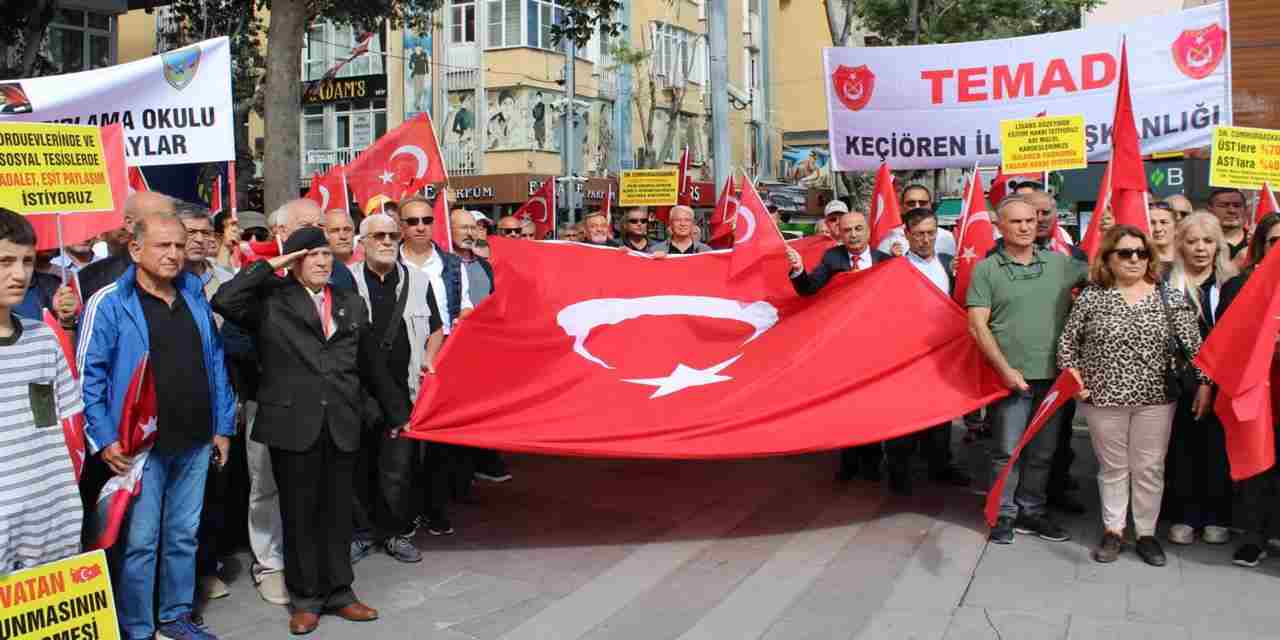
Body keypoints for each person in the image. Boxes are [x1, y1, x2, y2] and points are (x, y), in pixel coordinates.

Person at [211, 228, 383, 635]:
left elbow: (369, 363)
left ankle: (341, 592)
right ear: (294, 261)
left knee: (338, 513)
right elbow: (224, 300)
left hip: (341, 420)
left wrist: (395, 415)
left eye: (327, 254)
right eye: (312, 255)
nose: (323, 261)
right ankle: (305, 599)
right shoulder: (272, 302)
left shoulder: (349, 301)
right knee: (300, 514)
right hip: (293, 423)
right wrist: (271, 265)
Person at [80, 205, 236, 640]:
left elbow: (216, 363)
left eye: (179, 246)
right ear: (134, 248)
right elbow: (88, 377)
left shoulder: (192, 294)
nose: (173, 254)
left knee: (183, 536)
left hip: (195, 441)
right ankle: (137, 628)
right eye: (162, 245)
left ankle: (175, 616)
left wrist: (222, 426)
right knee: (141, 544)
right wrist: (105, 438)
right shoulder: (109, 303)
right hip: (138, 449)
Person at [1058, 225, 1211, 566]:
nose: (1134, 259)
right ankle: (1113, 530)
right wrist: (1075, 378)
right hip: (1103, 397)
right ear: (1108, 258)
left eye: (1141, 253)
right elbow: (1068, 344)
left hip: (1156, 398)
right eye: (1124, 253)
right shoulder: (1091, 297)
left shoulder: (1168, 297)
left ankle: (1145, 533)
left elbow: (1196, 349)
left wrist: (1205, 384)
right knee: (1113, 467)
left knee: (1149, 468)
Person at [968, 195, 1087, 545]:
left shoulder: (1061, 264)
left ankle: (1031, 511)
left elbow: (1107, 273)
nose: (1024, 227)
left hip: (1054, 379)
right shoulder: (986, 269)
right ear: (1000, 227)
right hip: (1011, 379)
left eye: (1030, 221)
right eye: (1016, 222)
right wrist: (1005, 371)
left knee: (1044, 452)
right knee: (1006, 450)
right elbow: (977, 325)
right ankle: (1002, 515)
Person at [349, 214, 445, 562]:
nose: (387, 242)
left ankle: (395, 533)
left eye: (392, 235)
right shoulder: (345, 280)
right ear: (363, 243)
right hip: (356, 392)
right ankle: (360, 533)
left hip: (404, 392)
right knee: (357, 466)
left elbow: (436, 327)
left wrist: (428, 359)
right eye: (379, 236)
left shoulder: (418, 281)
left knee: (398, 468)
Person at [0, 209, 85, 572]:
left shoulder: (43, 338)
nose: (19, 274)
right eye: (4, 261)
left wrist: (66, 508)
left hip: (52, 522)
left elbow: (62, 428)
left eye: (27, 262)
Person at [787, 210, 891, 482]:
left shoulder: (887, 261)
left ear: (868, 231)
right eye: (848, 230)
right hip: (843, 347)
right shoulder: (833, 259)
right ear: (840, 234)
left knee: (872, 406)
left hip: (877, 347)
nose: (854, 235)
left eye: (858, 229)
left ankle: (872, 462)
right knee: (846, 405)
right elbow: (809, 289)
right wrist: (798, 269)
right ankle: (849, 462)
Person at [878, 208, 972, 495]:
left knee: (942, 413)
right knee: (903, 413)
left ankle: (940, 465)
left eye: (931, 233)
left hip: (942, 354)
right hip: (904, 354)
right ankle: (899, 471)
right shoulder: (894, 267)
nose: (925, 239)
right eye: (918, 234)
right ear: (907, 235)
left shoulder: (947, 263)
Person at [1162, 212, 1238, 548]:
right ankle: (1183, 516)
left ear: (1218, 245)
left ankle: (1216, 516)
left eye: (1208, 241)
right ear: (1180, 244)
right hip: (1180, 381)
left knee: (1216, 450)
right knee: (1181, 448)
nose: (1200, 248)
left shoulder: (1232, 284)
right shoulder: (1167, 283)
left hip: (1222, 381)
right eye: (1192, 241)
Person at [1221, 212, 1280, 568]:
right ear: (1261, 246)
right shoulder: (1239, 286)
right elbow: (1227, 342)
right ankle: (1253, 537)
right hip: (1256, 390)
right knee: (1258, 464)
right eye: (1275, 241)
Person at [398, 196, 473, 335]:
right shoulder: (390, 264)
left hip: (443, 346)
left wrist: (465, 316)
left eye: (427, 221)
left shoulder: (453, 265)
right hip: (401, 348)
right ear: (400, 225)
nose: (421, 227)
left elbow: (465, 304)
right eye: (413, 221)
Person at [77, 191, 157, 301]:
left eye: (130, 219)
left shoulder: (158, 267)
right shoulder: (89, 275)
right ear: (101, 232)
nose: (124, 226)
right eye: (116, 219)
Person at [878, 184, 956, 256]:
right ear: (901, 208)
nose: (917, 207)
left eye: (923, 203)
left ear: (930, 205)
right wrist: (892, 260)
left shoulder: (947, 237)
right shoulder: (889, 239)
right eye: (911, 203)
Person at [1207, 187, 1249, 262]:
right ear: (1210, 209)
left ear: (1245, 209)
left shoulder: (1256, 242)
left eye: (1237, 206)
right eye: (1223, 205)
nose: (1231, 210)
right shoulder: (1200, 242)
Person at [1149, 203, 1177, 272]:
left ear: (1176, 227)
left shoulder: (1188, 259)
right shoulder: (1140, 261)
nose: (1158, 229)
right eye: (1152, 223)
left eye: (1163, 222)